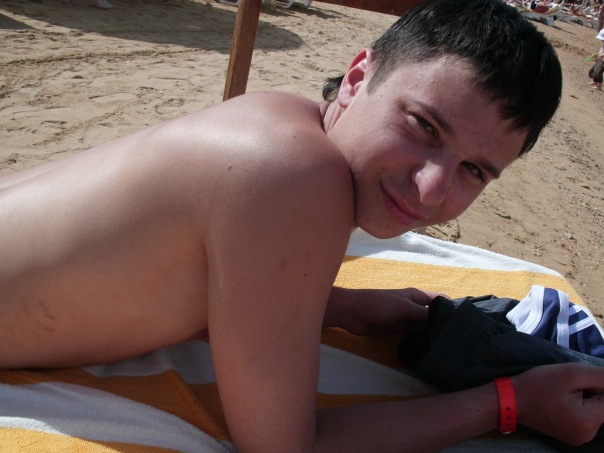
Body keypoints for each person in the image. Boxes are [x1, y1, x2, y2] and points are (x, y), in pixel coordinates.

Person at [1, 0, 603, 451]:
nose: (431, 188)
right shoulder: (292, 175)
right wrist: (509, 402)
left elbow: (176, 267)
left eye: (473, 170)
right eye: (424, 126)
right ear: (358, 76)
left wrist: (338, 305)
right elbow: (286, 448)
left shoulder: (280, 119)